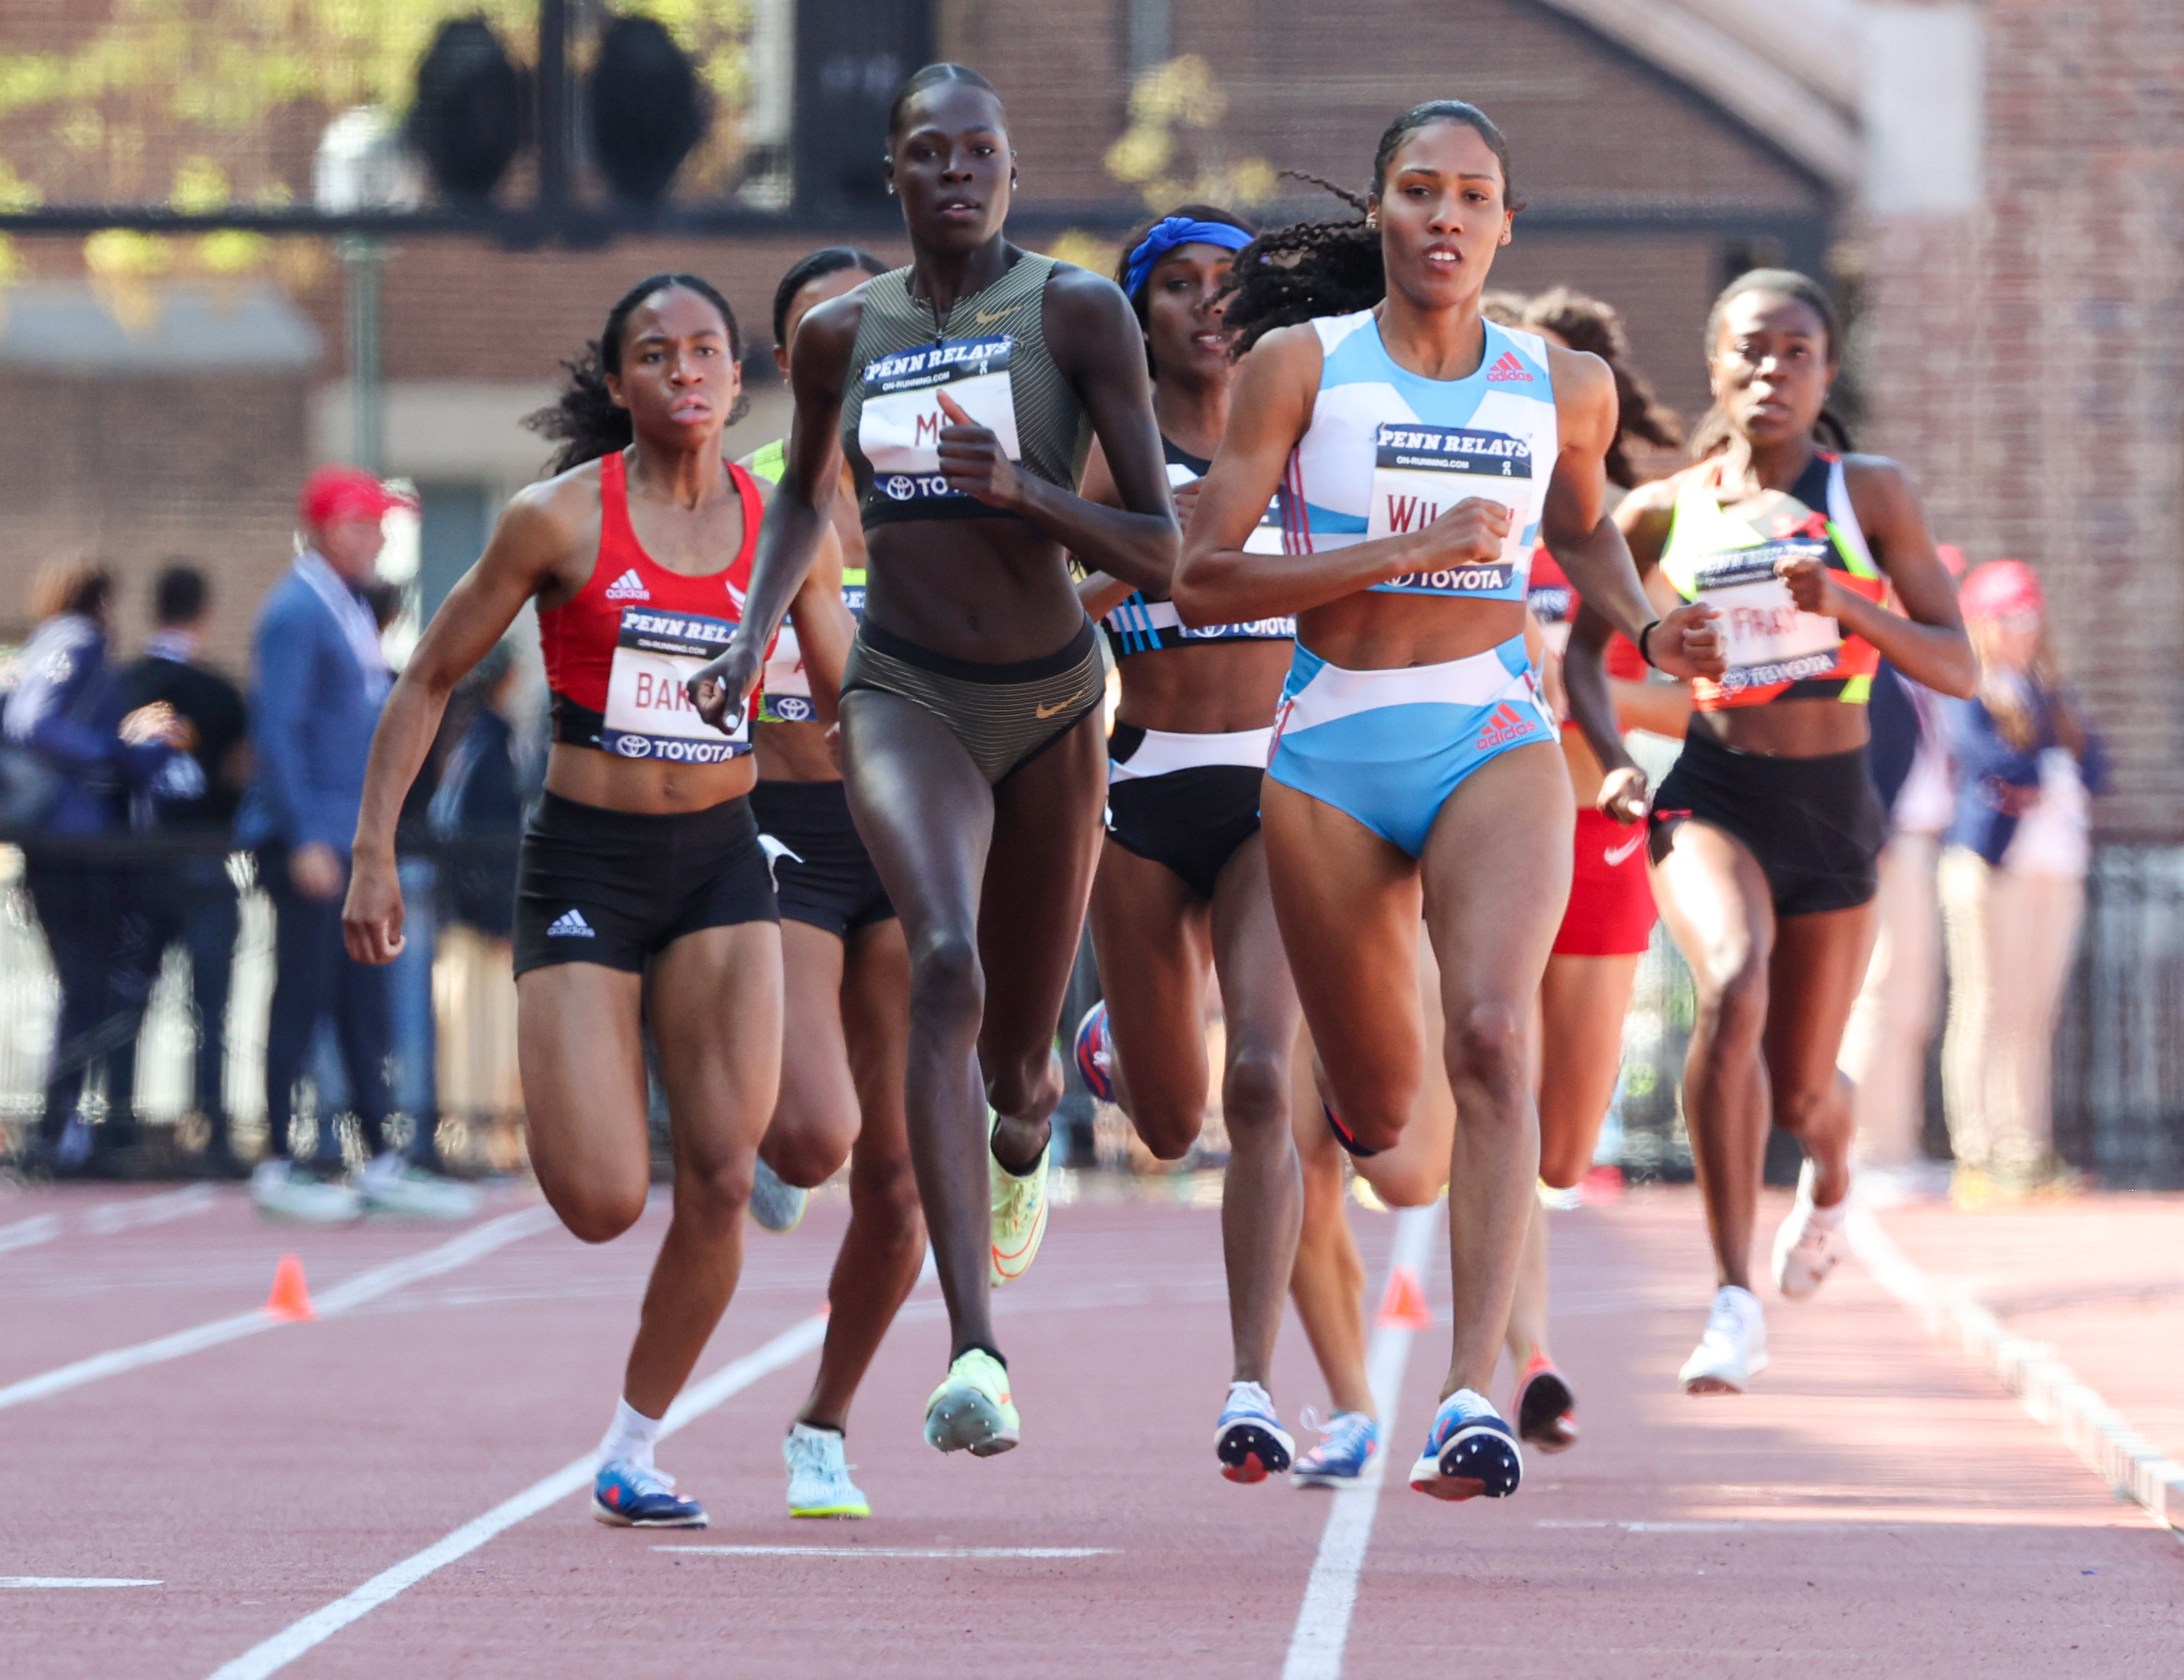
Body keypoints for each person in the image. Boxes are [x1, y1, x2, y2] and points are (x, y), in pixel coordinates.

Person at [1172, 102, 1723, 1502]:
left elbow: (1584, 525)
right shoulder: (1302, 366)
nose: (1445, 217)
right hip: (1329, 756)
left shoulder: (1563, 384)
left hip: (1489, 733)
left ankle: (1472, 1395)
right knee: (1389, 1125)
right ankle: (1368, 1125)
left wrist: (1646, 629)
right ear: (1379, 214)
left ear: (1506, 224)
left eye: (1472, 196)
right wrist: (1401, 548)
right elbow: (1202, 576)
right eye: (1418, 191)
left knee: (1492, 1036)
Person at [691, 63, 1179, 1458]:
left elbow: (1158, 546)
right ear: (895, 178)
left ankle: (1026, 1128)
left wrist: (1023, 489)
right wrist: (744, 641)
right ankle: (976, 1350)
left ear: (1010, 175)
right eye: (928, 153)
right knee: (944, 962)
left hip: (1049, 705)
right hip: (904, 691)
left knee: (1019, 1048)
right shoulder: (845, 334)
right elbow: (796, 505)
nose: (955, 173)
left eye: (980, 152)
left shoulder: (1076, 312)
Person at [346, 273, 823, 1528]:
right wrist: (373, 850)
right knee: (608, 1198)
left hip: (724, 857)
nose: (686, 369)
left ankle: (635, 1444)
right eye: (656, 353)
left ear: (736, 378)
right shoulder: (554, 520)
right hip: (587, 867)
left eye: (707, 350)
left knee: (718, 1181)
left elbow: (855, 705)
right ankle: (669, 1097)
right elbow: (430, 678)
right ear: (618, 384)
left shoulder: (788, 526)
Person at [1278, 285, 1688, 1477]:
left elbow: (1670, 686)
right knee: (1445, 1108)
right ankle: (1511, 1363)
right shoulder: (1401, 460)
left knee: (1561, 1147)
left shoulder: (1604, 528)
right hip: (1433, 804)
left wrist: (1607, 706)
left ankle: (1507, 1354)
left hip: (1577, 827)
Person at [1601, 268, 1975, 1394]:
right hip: (1716, 791)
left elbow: (1958, 665)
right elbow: (1582, 642)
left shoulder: (1871, 494)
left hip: (1834, 814)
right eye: (1751, 351)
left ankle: (1833, 1170)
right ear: (1715, 362)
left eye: (1797, 352)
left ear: (1828, 368)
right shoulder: (1666, 508)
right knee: (1733, 975)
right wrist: (1623, 745)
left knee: (1806, 1089)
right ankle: (1729, 1299)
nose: (1772, 372)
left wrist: (1850, 602)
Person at [1067, 204, 1307, 1481]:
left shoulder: (1300, 434)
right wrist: (1141, 563)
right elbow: (1044, 610)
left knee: (1261, 1079)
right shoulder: (1117, 454)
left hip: (1277, 788)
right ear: (1140, 314)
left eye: (1232, 283)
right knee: (1167, 1123)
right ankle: (1115, 1035)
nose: (1210, 304)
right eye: (1183, 286)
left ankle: (1251, 1382)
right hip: (1146, 788)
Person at [743, 244, 931, 1520]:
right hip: (782, 824)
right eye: (827, 333)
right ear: (787, 361)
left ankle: (825, 1419)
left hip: (914, 834)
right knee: (817, 1129)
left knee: (903, 1171)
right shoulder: (745, 494)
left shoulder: (945, 487)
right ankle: (745, 1085)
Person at [238, 468, 482, 1222]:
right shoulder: (296, 611)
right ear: (332, 526)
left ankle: (379, 1158)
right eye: (369, 523)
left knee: (360, 1002)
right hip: (313, 841)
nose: (381, 536)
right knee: (303, 998)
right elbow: (276, 730)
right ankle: (279, 1160)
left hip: (343, 841)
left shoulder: (338, 606)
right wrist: (308, 834)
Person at [2, 559, 192, 1176]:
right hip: (75, 851)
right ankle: (57, 1129)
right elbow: (34, 722)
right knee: (88, 990)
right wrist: (115, 754)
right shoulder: (75, 639)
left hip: (65, 845)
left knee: (86, 991)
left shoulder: (46, 644)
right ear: (101, 600)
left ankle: (65, 1125)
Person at [1938, 559, 2104, 1201]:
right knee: (1986, 1003)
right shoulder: (1971, 686)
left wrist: (2048, 774)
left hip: (2054, 868)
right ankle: (1976, 1151)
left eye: (2029, 617)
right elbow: (1991, 763)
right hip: (1991, 867)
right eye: (2009, 617)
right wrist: (2046, 774)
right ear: (1983, 622)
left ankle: (2024, 1145)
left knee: (2035, 1012)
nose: (2022, 630)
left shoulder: (2045, 689)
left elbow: (2091, 763)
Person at [108, 563, 252, 1176]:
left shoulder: (125, 685)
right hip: (203, 857)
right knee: (211, 1007)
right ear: (204, 614)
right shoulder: (222, 695)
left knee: (127, 1001)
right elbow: (244, 772)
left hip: (137, 865)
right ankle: (213, 1131)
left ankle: (115, 1130)